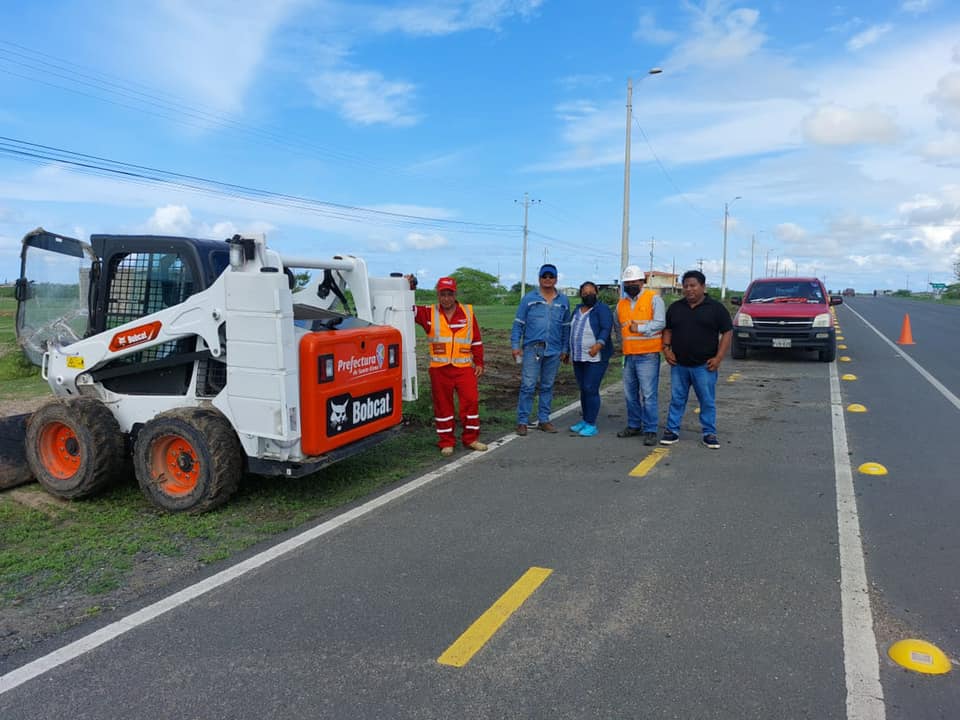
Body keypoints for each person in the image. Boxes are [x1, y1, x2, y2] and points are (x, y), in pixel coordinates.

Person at [410, 276, 487, 456]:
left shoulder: (467, 312)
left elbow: (476, 340)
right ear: (438, 295)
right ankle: (446, 442)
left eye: (449, 294)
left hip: (464, 368)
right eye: (442, 294)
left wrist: (479, 362)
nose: (446, 298)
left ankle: (471, 439)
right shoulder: (429, 313)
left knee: (471, 402)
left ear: (455, 294)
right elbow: (408, 309)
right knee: (443, 406)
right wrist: (409, 288)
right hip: (440, 369)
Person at [660, 270, 733, 449]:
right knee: (677, 399)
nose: (689, 289)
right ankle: (672, 431)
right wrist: (666, 349)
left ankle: (709, 433)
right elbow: (668, 329)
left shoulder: (716, 308)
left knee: (707, 401)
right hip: (679, 365)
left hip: (705, 366)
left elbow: (727, 332)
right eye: (685, 286)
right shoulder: (675, 308)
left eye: (693, 285)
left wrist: (719, 358)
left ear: (703, 287)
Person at [511, 263, 571, 435]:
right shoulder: (529, 299)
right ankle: (522, 421)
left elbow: (566, 327)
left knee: (547, 386)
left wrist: (565, 349)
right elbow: (518, 324)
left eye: (551, 276)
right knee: (528, 385)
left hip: (554, 350)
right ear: (539, 278)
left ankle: (544, 419)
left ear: (556, 279)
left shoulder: (563, 301)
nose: (547, 279)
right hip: (533, 349)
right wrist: (515, 346)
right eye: (544, 276)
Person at [615, 265, 665, 446]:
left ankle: (650, 429)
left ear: (642, 282)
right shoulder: (621, 304)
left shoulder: (654, 299)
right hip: (629, 355)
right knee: (630, 394)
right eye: (627, 283)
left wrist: (641, 328)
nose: (630, 285)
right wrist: (622, 345)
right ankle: (634, 425)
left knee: (648, 395)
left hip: (648, 355)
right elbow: (618, 327)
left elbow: (660, 323)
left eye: (633, 282)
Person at [568, 281, 613, 437]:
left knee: (590, 388)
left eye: (591, 292)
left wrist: (599, 344)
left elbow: (606, 328)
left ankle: (591, 423)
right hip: (578, 356)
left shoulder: (602, 309)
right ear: (581, 295)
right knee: (583, 388)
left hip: (596, 356)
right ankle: (585, 420)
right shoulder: (577, 310)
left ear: (597, 293)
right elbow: (570, 329)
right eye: (585, 293)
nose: (588, 295)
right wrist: (567, 351)